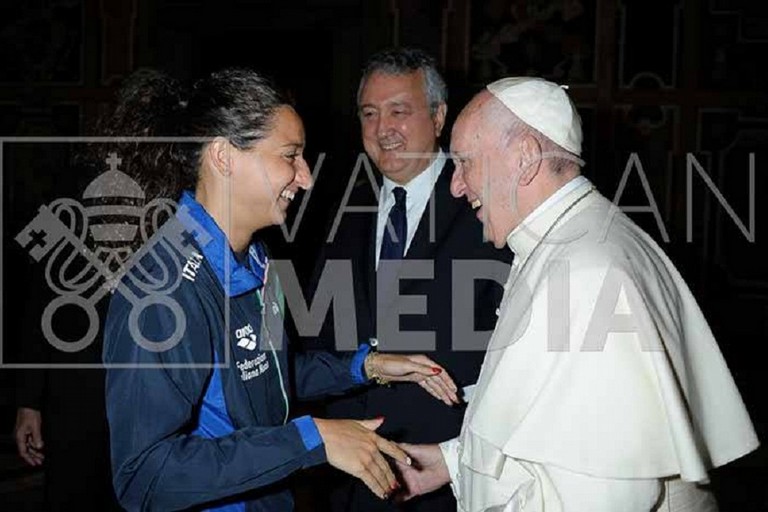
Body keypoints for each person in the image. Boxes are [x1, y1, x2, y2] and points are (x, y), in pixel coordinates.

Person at [394, 77, 761, 511]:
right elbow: (552, 437)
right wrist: (450, 464)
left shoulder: (587, 273)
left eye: (466, 163)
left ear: (526, 158)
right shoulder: (568, 240)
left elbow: (602, 496)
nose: (456, 186)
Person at [102, 67, 459, 512]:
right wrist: (311, 437)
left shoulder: (258, 261)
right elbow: (144, 477)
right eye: (290, 156)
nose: (306, 177)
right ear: (223, 156)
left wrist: (365, 366)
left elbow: (268, 373)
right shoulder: (163, 286)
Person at [298, 47, 512, 511]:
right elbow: (317, 335)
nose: (382, 130)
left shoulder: (484, 209)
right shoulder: (342, 209)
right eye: (370, 114)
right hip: (352, 478)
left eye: (399, 111)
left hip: (444, 478)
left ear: (438, 117)